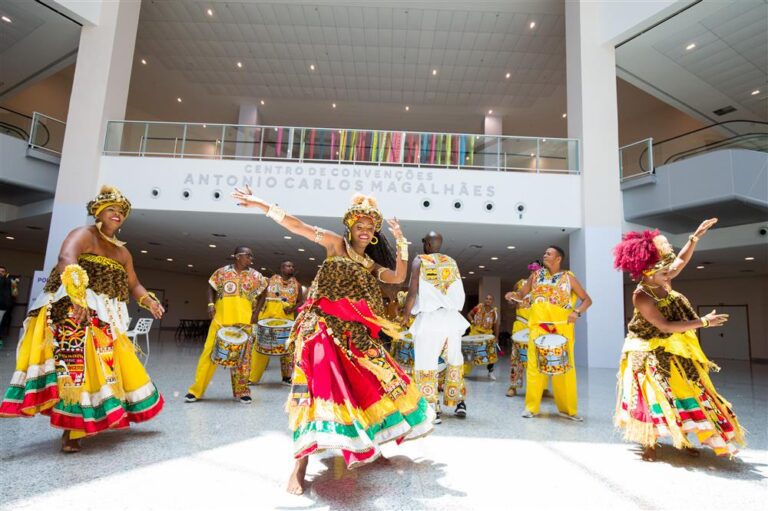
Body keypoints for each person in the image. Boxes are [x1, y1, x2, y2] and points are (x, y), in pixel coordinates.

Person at [232, 187, 434, 495]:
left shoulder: (370, 265)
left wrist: (402, 243)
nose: (364, 231)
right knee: (314, 391)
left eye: (370, 228)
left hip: (355, 337)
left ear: (375, 233)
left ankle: (369, 442)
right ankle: (299, 466)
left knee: (366, 386)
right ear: (349, 227)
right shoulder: (334, 244)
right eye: (359, 226)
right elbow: (296, 226)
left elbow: (397, 277)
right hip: (321, 330)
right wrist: (262, 205)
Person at [0, 186, 165, 452]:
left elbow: (134, 284)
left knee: (106, 368)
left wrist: (150, 302)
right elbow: (66, 259)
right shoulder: (83, 234)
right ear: (99, 211)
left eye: (122, 212)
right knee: (77, 368)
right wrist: (78, 298)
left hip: (106, 317)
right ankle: (72, 430)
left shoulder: (123, 253)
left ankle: (95, 416)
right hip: (74, 308)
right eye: (112, 209)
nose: (117, 214)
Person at [612, 219, 745, 460]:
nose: (669, 274)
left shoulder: (662, 277)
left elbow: (681, 260)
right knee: (655, 395)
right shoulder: (641, 296)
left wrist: (695, 237)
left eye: (667, 271)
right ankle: (649, 442)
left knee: (685, 390)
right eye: (664, 272)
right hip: (645, 348)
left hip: (672, 345)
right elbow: (663, 325)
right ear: (648, 273)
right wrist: (703, 322)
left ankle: (681, 438)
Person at [505, 246, 591, 421]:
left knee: (564, 369)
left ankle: (567, 410)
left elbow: (587, 300)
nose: (544, 255)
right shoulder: (536, 276)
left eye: (548, 253)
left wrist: (577, 312)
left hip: (562, 327)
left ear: (558, 258)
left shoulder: (569, 278)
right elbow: (521, 294)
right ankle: (531, 407)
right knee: (534, 368)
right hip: (538, 326)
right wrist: (513, 295)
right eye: (544, 252)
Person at [402, 231, 469, 423]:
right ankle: (458, 402)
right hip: (451, 319)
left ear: (427, 244)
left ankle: (432, 408)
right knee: (454, 360)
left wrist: (406, 314)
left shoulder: (419, 260)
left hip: (430, 320)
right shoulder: (451, 261)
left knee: (426, 363)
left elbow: (413, 291)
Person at [185, 246, 267, 404]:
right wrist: (210, 304)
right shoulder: (221, 272)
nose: (251, 259)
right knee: (208, 355)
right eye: (248, 255)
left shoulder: (256, 275)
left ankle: (242, 392)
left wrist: (256, 312)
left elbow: (265, 291)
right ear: (237, 256)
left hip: (244, 323)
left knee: (243, 359)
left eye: (252, 256)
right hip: (220, 321)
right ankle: (196, 391)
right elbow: (210, 286)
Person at [249, 260, 304, 385]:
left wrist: (292, 308)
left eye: (292, 266)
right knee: (261, 348)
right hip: (267, 320)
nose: (291, 268)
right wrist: (255, 313)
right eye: (288, 266)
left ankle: (287, 377)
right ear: (281, 268)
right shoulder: (269, 281)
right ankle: (252, 378)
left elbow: (301, 301)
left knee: (287, 350)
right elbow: (260, 297)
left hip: (286, 320)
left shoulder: (297, 285)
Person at [466, 294, 500, 379]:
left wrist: (496, 337)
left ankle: (490, 371)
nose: (488, 300)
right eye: (487, 298)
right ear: (485, 299)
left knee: (491, 351)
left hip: (487, 333)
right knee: (469, 351)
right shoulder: (478, 307)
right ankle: (464, 371)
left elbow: (496, 326)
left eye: (490, 299)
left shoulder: (494, 312)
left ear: (492, 301)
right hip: (476, 332)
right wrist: (472, 321)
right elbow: (469, 314)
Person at [0, 265, 19, 346]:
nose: (0, 273)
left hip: (2, 306)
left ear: (5, 273)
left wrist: (13, 283)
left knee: (2, 323)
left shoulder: (9, 281)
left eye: (2, 272)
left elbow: (15, 293)